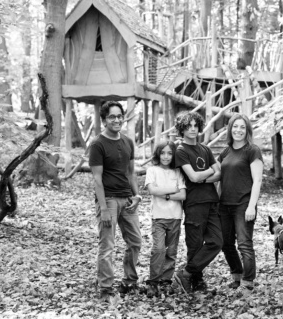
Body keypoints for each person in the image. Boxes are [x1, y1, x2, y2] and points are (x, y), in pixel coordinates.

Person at [88, 101, 142, 302]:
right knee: (107, 246)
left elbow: (130, 172)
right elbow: (97, 179)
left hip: (128, 200)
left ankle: (129, 281)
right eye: (112, 116)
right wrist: (103, 208)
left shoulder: (128, 142)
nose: (117, 119)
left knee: (135, 241)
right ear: (104, 120)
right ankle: (106, 288)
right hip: (108, 200)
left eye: (120, 116)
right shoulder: (97, 144)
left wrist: (136, 195)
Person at [172, 111, 223, 294]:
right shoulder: (181, 151)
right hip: (194, 203)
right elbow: (193, 177)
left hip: (211, 202)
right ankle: (197, 282)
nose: (193, 129)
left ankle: (185, 273)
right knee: (194, 245)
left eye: (195, 125)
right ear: (182, 129)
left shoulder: (205, 149)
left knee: (216, 241)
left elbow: (220, 173)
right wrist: (208, 171)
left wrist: (202, 177)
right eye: (188, 126)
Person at [217, 113, 263, 296]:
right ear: (230, 129)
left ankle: (248, 282)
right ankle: (237, 276)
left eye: (242, 127)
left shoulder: (252, 150)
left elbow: (257, 180)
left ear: (247, 130)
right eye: (235, 126)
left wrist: (252, 206)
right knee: (226, 243)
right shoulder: (226, 151)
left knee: (244, 244)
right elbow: (217, 177)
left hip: (243, 204)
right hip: (224, 205)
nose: (238, 130)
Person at [145, 141, 186, 298]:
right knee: (159, 249)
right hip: (158, 217)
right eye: (163, 153)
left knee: (171, 251)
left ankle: (166, 281)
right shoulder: (152, 170)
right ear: (158, 154)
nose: (166, 156)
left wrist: (164, 193)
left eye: (169, 153)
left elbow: (183, 195)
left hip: (175, 216)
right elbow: (152, 190)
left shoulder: (178, 172)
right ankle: (153, 281)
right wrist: (174, 190)